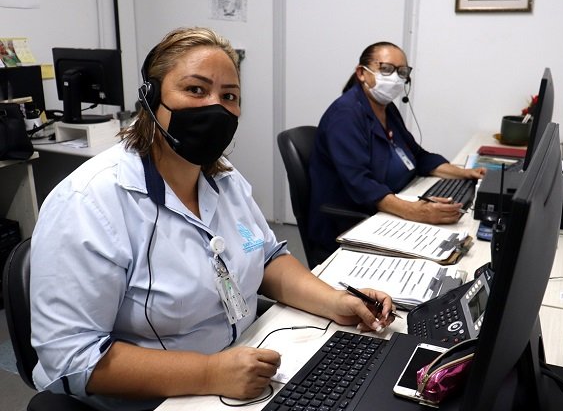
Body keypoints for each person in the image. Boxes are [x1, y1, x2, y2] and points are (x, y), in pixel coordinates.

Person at [29, 27, 395, 411]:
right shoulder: (89, 202)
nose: (215, 107)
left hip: (243, 370)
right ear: (151, 97)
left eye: (229, 96)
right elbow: (71, 358)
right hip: (157, 401)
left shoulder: (224, 177)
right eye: (195, 89)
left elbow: (267, 258)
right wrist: (209, 373)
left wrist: (335, 301)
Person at [308, 41, 486, 255]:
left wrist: (466, 173)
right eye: (386, 69)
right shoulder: (345, 115)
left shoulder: (386, 109)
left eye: (401, 72)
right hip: (353, 222)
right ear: (362, 73)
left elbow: (418, 156)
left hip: (394, 202)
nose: (394, 78)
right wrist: (415, 211)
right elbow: (360, 183)